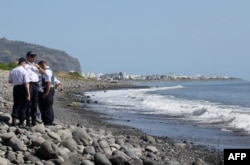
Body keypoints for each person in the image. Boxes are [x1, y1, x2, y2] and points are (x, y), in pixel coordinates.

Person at [8, 58, 30, 126]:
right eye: (25, 63)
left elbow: (9, 81)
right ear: (23, 63)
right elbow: (26, 83)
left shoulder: (13, 70)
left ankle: (14, 119)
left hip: (16, 87)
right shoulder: (24, 71)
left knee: (16, 104)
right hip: (23, 87)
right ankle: (21, 121)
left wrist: (16, 80)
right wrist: (28, 93)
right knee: (23, 105)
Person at [25, 51, 45, 126]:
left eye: (34, 56)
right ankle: (27, 121)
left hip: (36, 84)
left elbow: (44, 73)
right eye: (31, 56)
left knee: (35, 103)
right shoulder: (25, 65)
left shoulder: (35, 65)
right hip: (29, 84)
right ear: (27, 57)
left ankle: (33, 121)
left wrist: (38, 67)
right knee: (29, 103)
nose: (33, 58)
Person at [37, 60, 56, 125]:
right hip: (49, 88)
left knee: (47, 105)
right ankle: (47, 119)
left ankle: (48, 120)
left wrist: (47, 92)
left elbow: (48, 82)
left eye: (40, 67)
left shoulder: (47, 71)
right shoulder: (49, 70)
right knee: (45, 105)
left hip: (47, 89)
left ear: (42, 65)